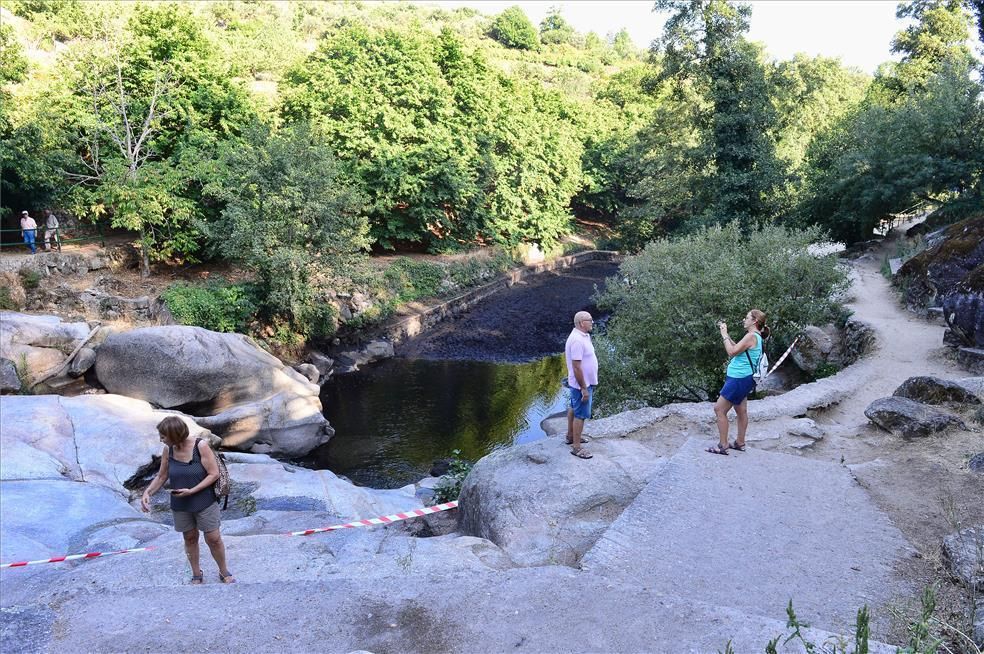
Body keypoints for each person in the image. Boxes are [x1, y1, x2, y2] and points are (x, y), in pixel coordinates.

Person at [141, 416, 235, 584]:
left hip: (204, 500)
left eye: (163, 436)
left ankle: (223, 570)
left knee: (213, 538)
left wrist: (192, 491)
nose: (161, 439)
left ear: (175, 434)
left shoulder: (200, 446)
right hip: (180, 503)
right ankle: (196, 573)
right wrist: (148, 492)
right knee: (190, 538)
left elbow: (214, 474)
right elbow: (162, 476)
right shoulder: (167, 450)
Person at [707, 309, 769, 455]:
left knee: (719, 409)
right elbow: (738, 348)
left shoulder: (751, 336)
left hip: (739, 378)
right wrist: (727, 335)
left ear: (754, 321)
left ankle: (723, 445)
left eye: (746, 317)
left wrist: (723, 336)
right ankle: (740, 443)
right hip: (744, 378)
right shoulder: (755, 336)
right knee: (741, 411)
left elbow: (732, 352)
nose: (744, 319)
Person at [565, 310, 598, 459]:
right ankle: (577, 447)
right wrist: (584, 388)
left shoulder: (583, 336)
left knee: (573, 408)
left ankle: (571, 436)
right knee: (581, 414)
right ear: (581, 323)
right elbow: (577, 366)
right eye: (590, 320)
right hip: (581, 385)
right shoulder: (577, 340)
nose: (592, 322)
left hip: (579, 383)